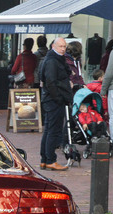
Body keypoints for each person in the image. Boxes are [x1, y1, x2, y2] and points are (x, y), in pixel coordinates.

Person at [39, 37, 73, 171]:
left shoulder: (55, 59)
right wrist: (59, 98)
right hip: (53, 100)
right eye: (60, 46)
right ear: (53, 46)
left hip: (52, 99)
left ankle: (45, 160)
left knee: (49, 130)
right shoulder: (52, 60)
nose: (63, 49)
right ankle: (50, 160)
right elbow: (50, 82)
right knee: (53, 131)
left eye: (64, 46)